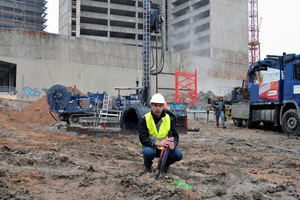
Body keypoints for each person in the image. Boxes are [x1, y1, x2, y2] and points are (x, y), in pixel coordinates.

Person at [138, 93, 183, 173]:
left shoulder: (169, 119)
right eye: (155, 105)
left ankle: (165, 165)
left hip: (164, 147)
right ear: (151, 106)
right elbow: (143, 138)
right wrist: (157, 143)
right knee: (148, 153)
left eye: (160, 106)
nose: (158, 108)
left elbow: (175, 135)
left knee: (178, 155)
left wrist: (174, 144)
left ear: (163, 107)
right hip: (151, 147)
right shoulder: (145, 119)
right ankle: (147, 166)